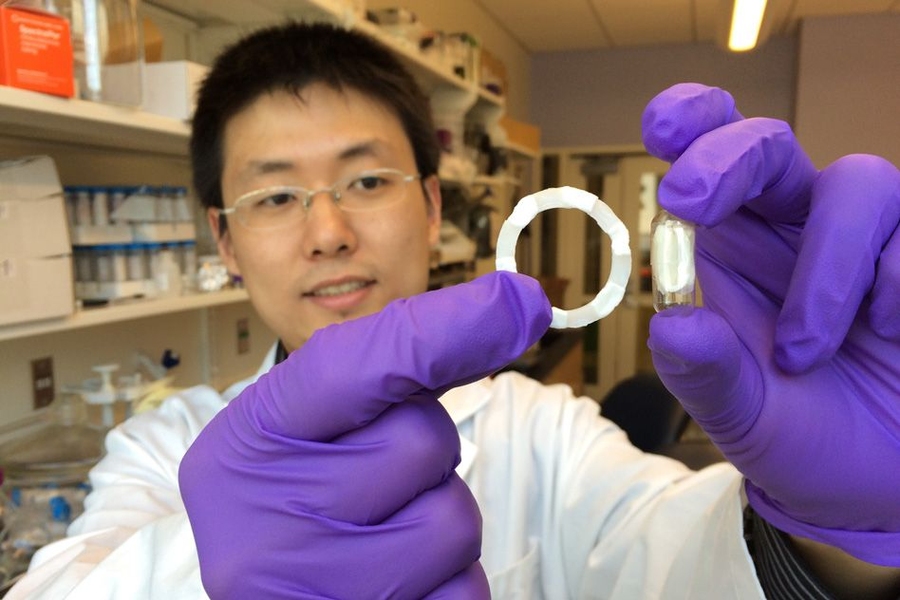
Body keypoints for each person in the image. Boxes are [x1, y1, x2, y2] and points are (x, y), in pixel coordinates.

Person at [9, 20, 900, 599]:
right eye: (275, 198)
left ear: (433, 209)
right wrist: (197, 575)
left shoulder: (540, 431)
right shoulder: (159, 451)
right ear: (225, 240)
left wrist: (842, 536)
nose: (327, 232)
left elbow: (681, 562)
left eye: (366, 180)